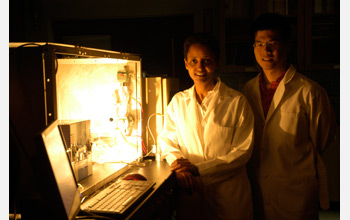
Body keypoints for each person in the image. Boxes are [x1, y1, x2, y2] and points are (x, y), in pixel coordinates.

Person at [242, 13, 338, 220]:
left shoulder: (310, 91)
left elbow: (323, 139)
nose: (265, 51)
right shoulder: (247, 91)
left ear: (287, 45)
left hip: (295, 194)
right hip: (256, 190)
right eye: (259, 44)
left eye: (272, 43)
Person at [158, 32, 255, 220]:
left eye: (207, 61)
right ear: (186, 63)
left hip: (229, 194)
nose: (200, 67)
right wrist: (179, 166)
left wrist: (199, 169)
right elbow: (168, 140)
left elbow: (242, 151)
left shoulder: (236, 101)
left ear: (217, 63)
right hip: (191, 190)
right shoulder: (178, 102)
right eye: (194, 61)